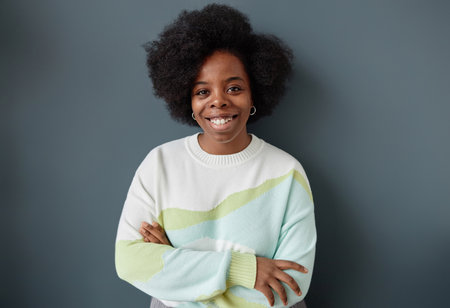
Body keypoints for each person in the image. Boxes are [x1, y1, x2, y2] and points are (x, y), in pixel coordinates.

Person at [115, 4, 316, 308]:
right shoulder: (160, 165)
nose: (218, 101)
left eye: (234, 87)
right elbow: (130, 262)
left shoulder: (287, 173)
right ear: (187, 100)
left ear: (254, 95)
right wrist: (247, 270)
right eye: (202, 91)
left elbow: (291, 286)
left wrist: (176, 266)